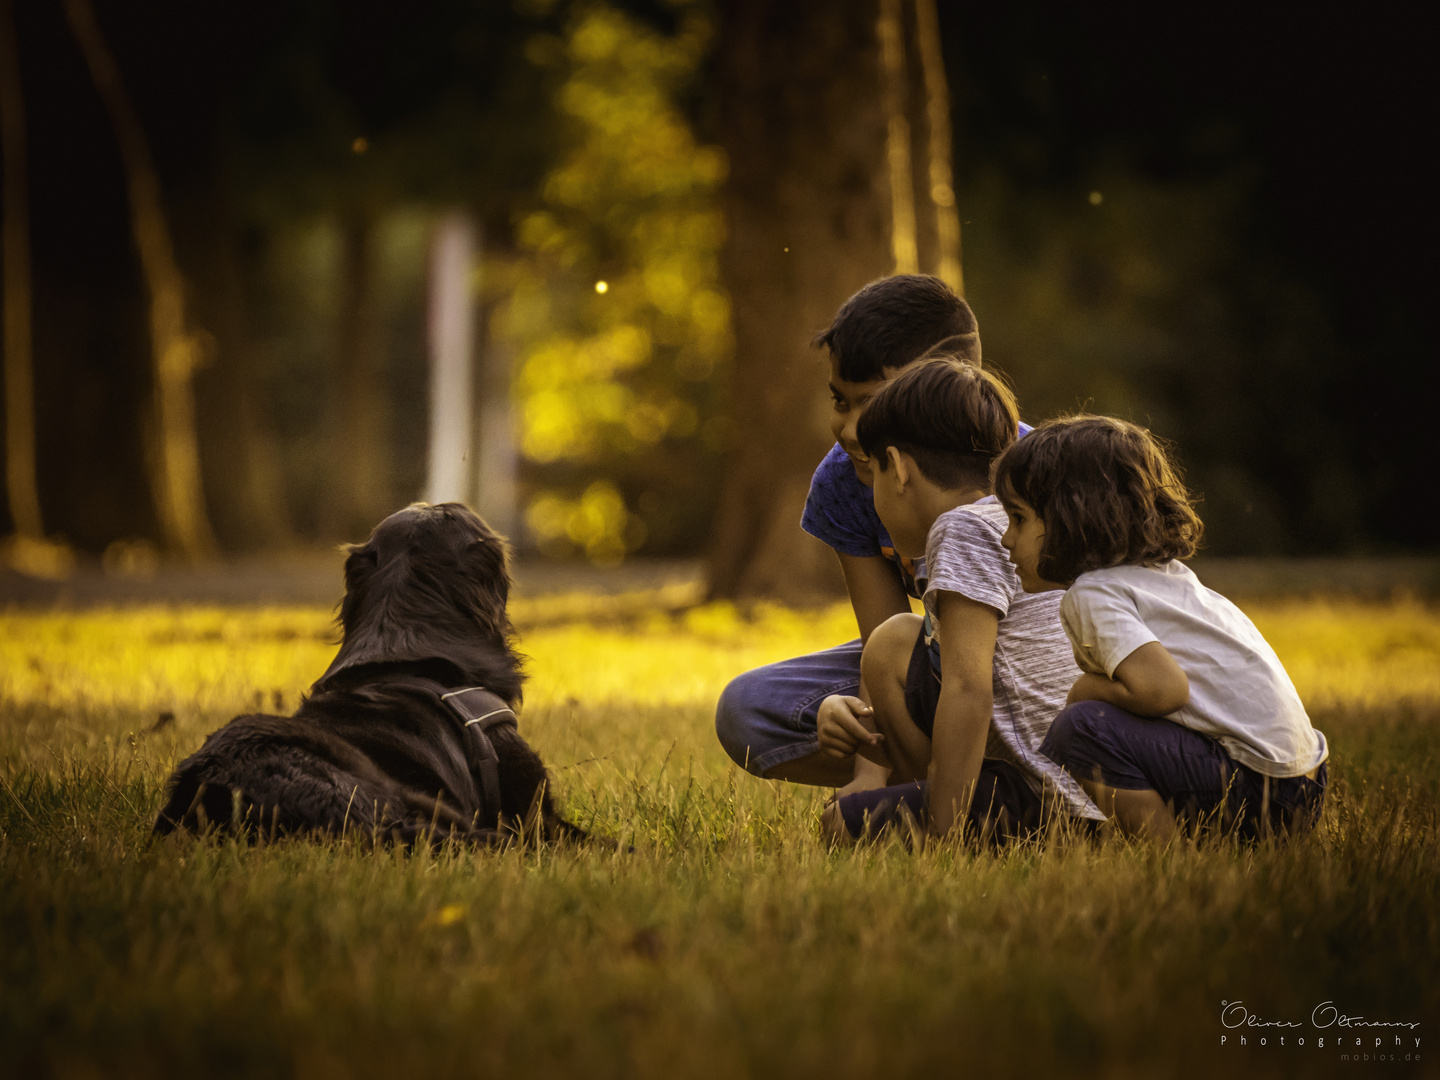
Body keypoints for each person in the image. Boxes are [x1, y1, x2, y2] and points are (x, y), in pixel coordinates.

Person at [715, 274, 998, 786]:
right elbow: (885, 642)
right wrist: (864, 771)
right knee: (748, 709)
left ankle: (995, 780)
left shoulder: (1026, 471)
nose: (848, 430)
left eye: (871, 403)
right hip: (931, 660)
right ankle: (925, 777)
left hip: (1031, 667)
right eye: (841, 402)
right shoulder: (844, 480)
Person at [992, 415, 1329, 841]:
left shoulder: (1092, 593)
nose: (1005, 539)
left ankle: (1168, 859)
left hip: (1257, 788)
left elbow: (1162, 689)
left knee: (1081, 726)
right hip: (1304, 781)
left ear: (1070, 518)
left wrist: (1084, 691)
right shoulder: (1165, 577)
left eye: (1018, 518)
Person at [818, 358, 1104, 843]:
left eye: (875, 474)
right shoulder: (1019, 520)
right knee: (894, 641)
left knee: (841, 827)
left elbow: (968, 689)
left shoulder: (962, 528)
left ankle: (950, 821)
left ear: (900, 469)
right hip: (1109, 784)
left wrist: (939, 835)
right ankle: (940, 797)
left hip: (1054, 800)